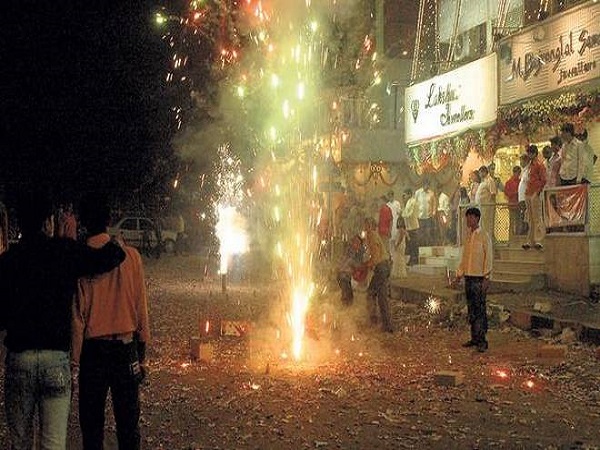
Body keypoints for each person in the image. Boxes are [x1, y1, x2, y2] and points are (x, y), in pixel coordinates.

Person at [0, 192, 126, 450]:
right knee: (54, 444)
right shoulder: (63, 252)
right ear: (48, 222)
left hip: (19, 358)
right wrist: (116, 243)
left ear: (19, 222)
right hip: (55, 359)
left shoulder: (8, 261)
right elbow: (106, 259)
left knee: (20, 443)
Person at [72, 193, 150, 450]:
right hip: (125, 349)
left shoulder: (81, 261)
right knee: (128, 425)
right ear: (108, 220)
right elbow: (140, 307)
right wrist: (142, 348)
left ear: (83, 222)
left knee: (92, 427)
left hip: (93, 352)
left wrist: (74, 362)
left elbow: (78, 315)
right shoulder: (132, 257)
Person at [454, 207, 493, 353]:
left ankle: (482, 340)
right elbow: (465, 258)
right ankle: (474, 337)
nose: (468, 220)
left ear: (477, 218)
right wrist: (459, 274)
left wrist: (487, 277)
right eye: (467, 218)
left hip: (479, 278)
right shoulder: (468, 237)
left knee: (479, 309)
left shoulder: (484, 236)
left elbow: (488, 257)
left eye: (470, 217)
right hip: (469, 277)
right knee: (471, 309)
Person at [363, 217, 393, 333]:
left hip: (381, 268)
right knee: (380, 296)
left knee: (372, 294)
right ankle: (385, 324)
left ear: (370, 225)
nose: (364, 227)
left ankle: (375, 321)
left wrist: (366, 265)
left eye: (366, 224)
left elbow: (375, 257)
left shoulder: (371, 235)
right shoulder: (374, 235)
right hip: (384, 267)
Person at [522, 144, 546, 250]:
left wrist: (537, 192)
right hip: (528, 192)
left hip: (535, 193)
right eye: (528, 153)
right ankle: (530, 241)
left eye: (530, 153)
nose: (529, 155)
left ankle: (539, 240)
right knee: (530, 218)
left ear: (534, 153)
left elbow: (543, 180)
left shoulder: (539, 165)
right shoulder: (529, 165)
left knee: (537, 217)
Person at [336, 234, 366, 306]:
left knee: (349, 296)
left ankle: (345, 308)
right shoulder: (350, 251)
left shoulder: (357, 252)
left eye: (358, 243)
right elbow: (352, 263)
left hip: (347, 276)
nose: (355, 244)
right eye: (354, 242)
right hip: (342, 275)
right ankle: (344, 308)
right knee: (347, 295)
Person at [474, 165, 497, 242]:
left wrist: (491, 205)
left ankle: (487, 242)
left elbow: (493, 193)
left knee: (486, 225)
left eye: (480, 173)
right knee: (482, 224)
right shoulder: (483, 181)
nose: (479, 174)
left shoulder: (490, 180)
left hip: (487, 208)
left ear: (484, 172)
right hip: (481, 208)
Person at [414, 179, 436, 247]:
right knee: (420, 233)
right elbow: (415, 204)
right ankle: (420, 246)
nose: (427, 186)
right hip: (420, 216)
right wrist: (415, 214)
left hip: (428, 217)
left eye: (428, 185)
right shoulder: (418, 192)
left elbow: (434, 204)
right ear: (423, 184)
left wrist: (433, 213)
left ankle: (427, 246)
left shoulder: (431, 193)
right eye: (426, 184)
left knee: (428, 232)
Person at [401, 188, 420, 265]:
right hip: (409, 227)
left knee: (413, 244)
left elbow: (410, 214)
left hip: (413, 226)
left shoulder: (413, 202)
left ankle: (414, 259)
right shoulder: (407, 202)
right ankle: (411, 259)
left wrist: (402, 215)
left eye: (405, 195)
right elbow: (405, 212)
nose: (404, 196)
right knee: (410, 244)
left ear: (409, 194)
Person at [504, 166, 521, 241]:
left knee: (519, 221)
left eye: (519, 173)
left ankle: (518, 238)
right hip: (512, 204)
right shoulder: (509, 182)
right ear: (514, 173)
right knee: (512, 222)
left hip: (519, 205)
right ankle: (511, 238)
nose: (518, 174)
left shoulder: (520, 181)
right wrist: (515, 193)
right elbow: (506, 193)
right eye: (517, 173)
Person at [517, 153, 531, 236]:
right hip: (521, 197)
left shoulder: (529, 170)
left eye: (521, 161)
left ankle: (526, 230)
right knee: (523, 214)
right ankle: (523, 230)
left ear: (526, 161)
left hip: (525, 197)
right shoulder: (524, 171)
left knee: (526, 214)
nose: (520, 163)